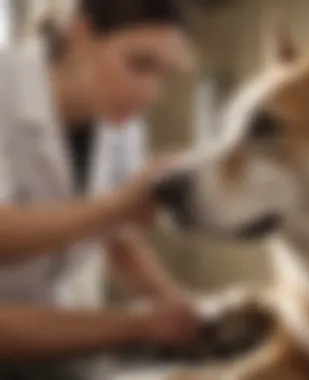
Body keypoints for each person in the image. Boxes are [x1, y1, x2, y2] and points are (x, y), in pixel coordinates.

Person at [0, 0, 200, 360]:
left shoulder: (121, 124)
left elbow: (116, 237)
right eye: (139, 65)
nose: (150, 94)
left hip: (39, 324)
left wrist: (171, 300)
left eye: (163, 75)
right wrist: (117, 207)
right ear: (81, 34)